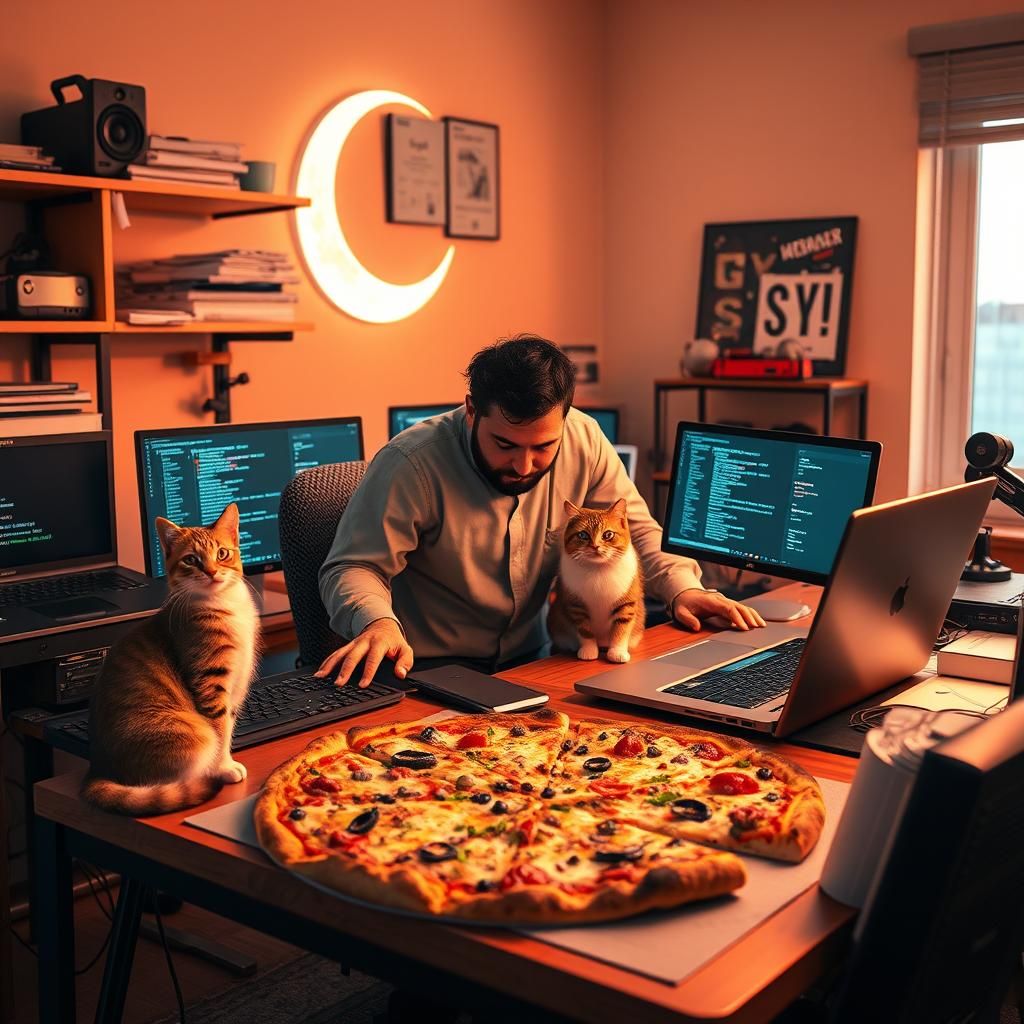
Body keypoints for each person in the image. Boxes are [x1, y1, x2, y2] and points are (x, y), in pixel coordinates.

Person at [317, 335, 765, 687]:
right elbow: (353, 566)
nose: (524, 466)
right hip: (426, 673)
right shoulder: (410, 463)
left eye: (543, 447)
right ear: (472, 410)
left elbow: (639, 532)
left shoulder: (585, 438)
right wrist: (377, 622)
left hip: (537, 662)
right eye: (505, 444)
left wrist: (682, 589)